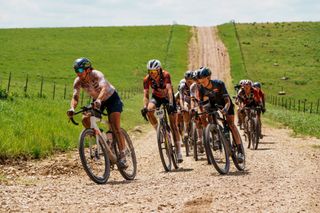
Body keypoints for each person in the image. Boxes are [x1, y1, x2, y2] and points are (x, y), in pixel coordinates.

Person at [66, 57, 128, 168]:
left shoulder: (96, 74)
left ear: (87, 69)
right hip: (97, 100)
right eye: (76, 71)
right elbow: (75, 96)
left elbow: (104, 87)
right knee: (85, 119)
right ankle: (103, 139)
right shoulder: (78, 81)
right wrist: (72, 108)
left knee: (115, 126)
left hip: (111, 98)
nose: (78, 73)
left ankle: (123, 154)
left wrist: (99, 100)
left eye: (80, 70)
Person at [196, 67, 244, 162]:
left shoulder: (219, 84)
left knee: (231, 124)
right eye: (199, 79)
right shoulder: (201, 88)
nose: (201, 80)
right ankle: (215, 134)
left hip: (225, 103)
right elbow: (201, 103)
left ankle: (240, 150)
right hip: (213, 104)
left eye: (203, 78)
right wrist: (201, 112)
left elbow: (227, 100)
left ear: (208, 77)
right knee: (205, 115)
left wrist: (225, 109)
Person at [141, 59, 183, 163]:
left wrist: (170, 103)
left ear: (159, 70)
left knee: (173, 125)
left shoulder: (166, 75)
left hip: (168, 97)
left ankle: (178, 151)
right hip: (157, 97)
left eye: (154, 72)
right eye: (150, 72)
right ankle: (158, 130)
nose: (152, 74)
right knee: (149, 111)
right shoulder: (147, 79)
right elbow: (146, 95)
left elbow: (169, 90)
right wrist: (145, 107)